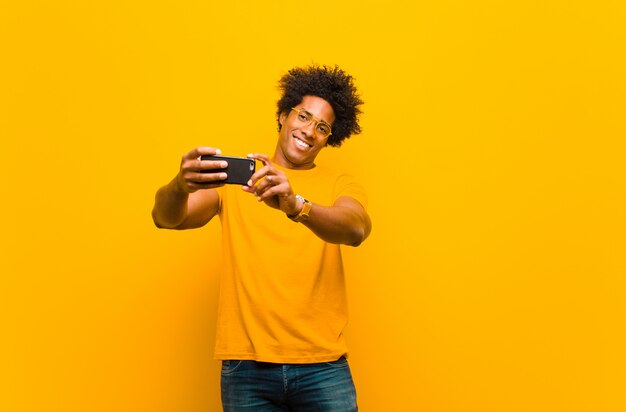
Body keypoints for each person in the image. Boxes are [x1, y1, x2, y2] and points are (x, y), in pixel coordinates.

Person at [152, 65, 371, 411]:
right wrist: (179, 185)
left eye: (322, 127)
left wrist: (295, 205)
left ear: (329, 138)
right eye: (303, 116)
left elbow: (356, 228)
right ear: (283, 115)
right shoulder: (236, 182)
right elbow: (166, 219)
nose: (309, 131)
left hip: (322, 366)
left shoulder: (339, 184)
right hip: (246, 368)